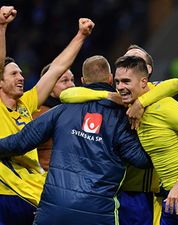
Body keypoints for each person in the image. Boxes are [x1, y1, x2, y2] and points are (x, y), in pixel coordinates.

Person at [63, 55, 178, 225]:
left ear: (144, 82)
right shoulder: (127, 106)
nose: (120, 87)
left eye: (126, 81)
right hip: (170, 198)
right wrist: (109, 95)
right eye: (117, 82)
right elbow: (67, 95)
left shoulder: (165, 106)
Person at [0, 54, 154, 224]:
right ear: (111, 79)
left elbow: (19, 142)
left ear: (82, 80)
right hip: (97, 214)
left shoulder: (61, 111)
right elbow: (141, 160)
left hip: (53, 212)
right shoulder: (121, 118)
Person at [0, 7, 94, 224]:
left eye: (21, 73)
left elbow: (57, 68)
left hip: (36, 194)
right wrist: (2, 27)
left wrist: (81, 36)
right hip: (7, 196)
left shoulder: (27, 102)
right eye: (14, 74)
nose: (21, 77)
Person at [32, 65, 75, 171]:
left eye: (72, 80)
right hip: (46, 178)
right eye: (64, 81)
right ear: (49, 86)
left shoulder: (75, 109)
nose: (71, 85)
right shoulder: (37, 114)